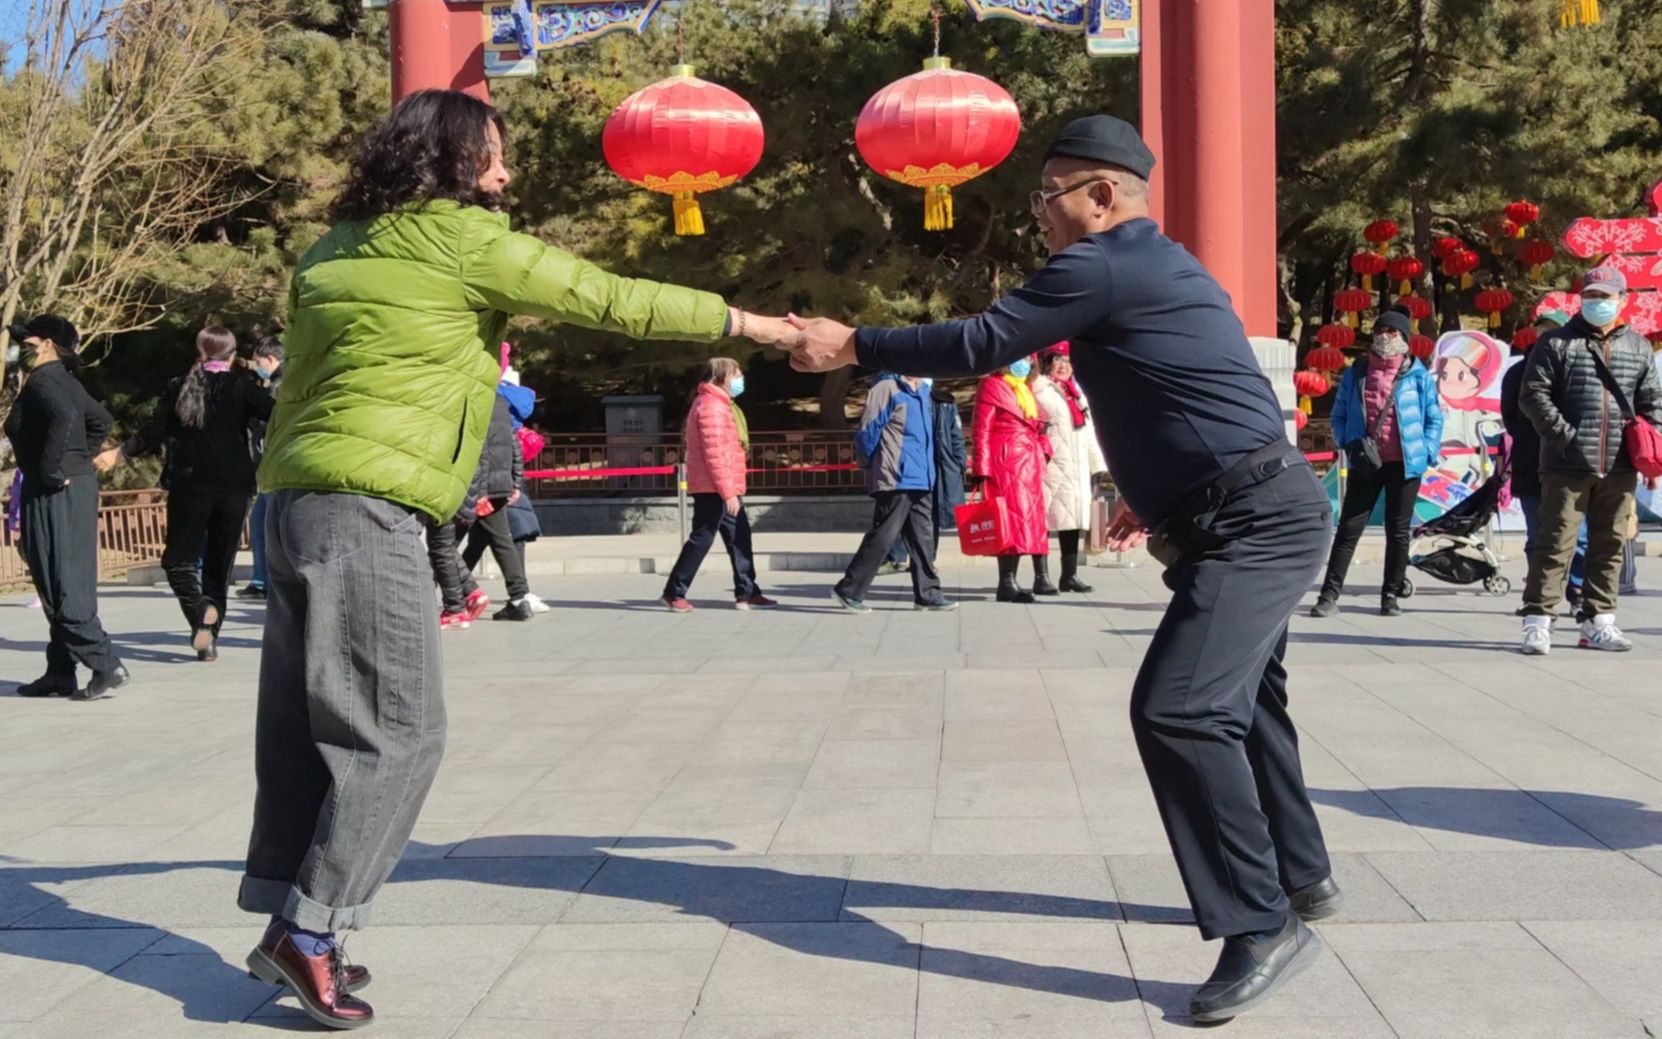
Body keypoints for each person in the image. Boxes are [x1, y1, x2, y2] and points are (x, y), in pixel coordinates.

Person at [239, 89, 794, 1030]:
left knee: (309, 727)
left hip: (289, 500)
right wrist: (754, 327)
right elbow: (610, 298)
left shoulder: (330, 248)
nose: (505, 173)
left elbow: (302, 381)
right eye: (492, 154)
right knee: (400, 731)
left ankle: (292, 920)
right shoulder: (462, 239)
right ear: (453, 162)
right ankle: (312, 932)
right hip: (368, 505)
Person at [783, 114, 1338, 1023]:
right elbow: (1195, 387)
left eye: (1046, 199)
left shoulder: (1103, 260)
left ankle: (1261, 922)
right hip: (1256, 503)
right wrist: (1154, 489)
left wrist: (855, 343)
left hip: (1252, 521)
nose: (1038, 219)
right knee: (1244, 699)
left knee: (1181, 707)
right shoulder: (1169, 263)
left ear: (1102, 196)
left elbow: (979, 343)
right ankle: (1304, 876)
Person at [97, 327, 274, 661]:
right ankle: (208, 627)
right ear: (233, 355)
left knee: (178, 562)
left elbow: (152, 432)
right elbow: (277, 415)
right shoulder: (241, 387)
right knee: (219, 566)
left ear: (199, 351)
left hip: (190, 487)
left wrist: (119, 453)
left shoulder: (179, 386)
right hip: (235, 489)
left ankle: (200, 617)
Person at [1518, 266, 1662, 655]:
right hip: (1566, 465)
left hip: (1620, 465)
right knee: (1554, 543)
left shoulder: (1639, 346)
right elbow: (1532, 395)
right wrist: (1565, 436)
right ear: (1581, 298)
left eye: (1607, 296)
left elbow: (1652, 404)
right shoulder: (1557, 343)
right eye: (1592, 295)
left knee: (1610, 543)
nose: (1599, 302)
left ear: (1622, 299)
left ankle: (1599, 621)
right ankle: (1538, 620)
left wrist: (1646, 450)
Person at [4, 314, 127, 700]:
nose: (21, 347)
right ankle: (60, 671)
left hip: (54, 490)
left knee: (61, 583)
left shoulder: (45, 381)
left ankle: (105, 662)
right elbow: (100, 419)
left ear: (47, 345)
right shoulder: (64, 380)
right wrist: (78, 459)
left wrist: (55, 468)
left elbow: (66, 417)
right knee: (59, 575)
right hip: (68, 486)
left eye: (28, 340)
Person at [1311, 312, 1443, 618]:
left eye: (1393, 332)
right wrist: (1347, 441)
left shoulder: (1417, 375)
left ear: (1405, 339)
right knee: (1348, 529)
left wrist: (1427, 451)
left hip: (1406, 463)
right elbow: (1338, 414)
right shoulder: (1356, 372)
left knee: (1397, 532)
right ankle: (1329, 595)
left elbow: (1434, 418)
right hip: (1366, 461)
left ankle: (1391, 595)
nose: (1385, 336)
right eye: (1381, 330)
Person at [832, 372, 956, 612]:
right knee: (884, 535)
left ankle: (928, 594)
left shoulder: (922, 390)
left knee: (923, 539)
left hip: (922, 476)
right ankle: (848, 589)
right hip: (896, 475)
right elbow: (868, 431)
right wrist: (873, 464)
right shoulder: (887, 388)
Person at [662, 358, 776, 612]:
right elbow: (716, 454)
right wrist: (728, 492)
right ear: (719, 378)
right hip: (714, 487)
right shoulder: (711, 407)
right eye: (735, 374)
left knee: (740, 538)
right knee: (702, 538)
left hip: (724, 486)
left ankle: (747, 591)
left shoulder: (722, 405)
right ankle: (674, 591)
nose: (740, 379)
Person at [971, 358, 1053, 602]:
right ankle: (1006, 582)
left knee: (1031, 520)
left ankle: (1035, 578)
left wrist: (1045, 450)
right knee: (1008, 520)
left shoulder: (1025, 389)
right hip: (1004, 459)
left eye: (1029, 358)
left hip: (1030, 462)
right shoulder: (991, 385)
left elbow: (1039, 427)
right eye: (1020, 357)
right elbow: (981, 429)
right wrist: (981, 468)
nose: (1024, 362)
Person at [1031, 343, 1108, 594]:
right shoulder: (1038, 390)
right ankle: (1041, 576)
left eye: (1067, 360)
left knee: (1072, 521)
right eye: (1058, 359)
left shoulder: (1076, 393)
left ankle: (1069, 575)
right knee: (1042, 521)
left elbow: (1088, 433)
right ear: (1047, 362)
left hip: (1076, 466)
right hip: (1050, 466)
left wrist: (1098, 465)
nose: (1064, 365)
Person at [458, 390, 534, 621]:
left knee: (444, 544)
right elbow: (513, 442)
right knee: (485, 541)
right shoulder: (500, 403)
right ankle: (518, 598)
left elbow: (477, 449)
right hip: (499, 485)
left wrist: (480, 491)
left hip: (477, 487)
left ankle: (459, 594)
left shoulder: (468, 401)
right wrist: (515, 481)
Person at [883, 378, 966, 572]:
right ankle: (896, 556)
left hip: (939, 467)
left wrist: (959, 463)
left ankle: (926, 559)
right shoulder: (901, 397)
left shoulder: (945, 402)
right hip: (911, 466)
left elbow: (956, 436)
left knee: (932, 515)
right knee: (902, 511)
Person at [498, 363, 549, 613]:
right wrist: (516, 481)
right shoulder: (514, 399)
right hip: (509, 478)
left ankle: (519, 595)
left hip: (493, 478)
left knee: (465, 537)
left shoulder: (493, 397)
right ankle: (520, 594)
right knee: (505, 535)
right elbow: (515, 449)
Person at [237, 337, 285, 601]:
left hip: (274, 468)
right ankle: (263, 579)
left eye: (258, 362)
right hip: (276, 468)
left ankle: (262, 580)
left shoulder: (279, 387)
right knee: (263, 522)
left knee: (261, 523)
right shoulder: (285, 382)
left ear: (270, 359)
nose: (257, 367)